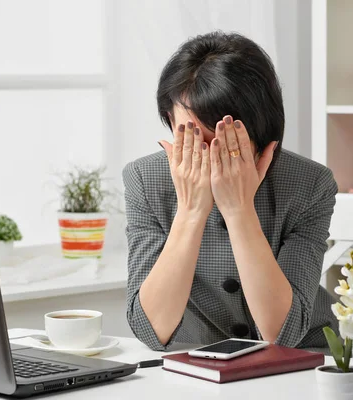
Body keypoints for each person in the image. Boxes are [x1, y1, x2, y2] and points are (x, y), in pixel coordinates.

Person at [123, 31, 339, 351]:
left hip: (300, 360)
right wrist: (191, 211)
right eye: (194, 138)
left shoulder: (309, 184)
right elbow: (149, 329)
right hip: (194, 361)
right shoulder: (145, 179)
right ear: (169, 118)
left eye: (227, 141)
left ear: (261, 129)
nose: (211, 157)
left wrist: (239, 210)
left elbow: (284, 334)